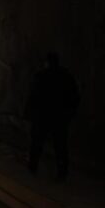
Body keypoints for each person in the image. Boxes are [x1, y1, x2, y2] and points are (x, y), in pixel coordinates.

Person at [25, 52, 79, 180]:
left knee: (37, 143)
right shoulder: (66, 77)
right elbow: (74, 97)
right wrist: (69, 114)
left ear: (46, 63)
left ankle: (32, 168)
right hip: (59, 117)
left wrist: (28, 114)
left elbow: (33, 96)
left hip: (42, 116)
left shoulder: (41, 76)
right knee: (60, 146)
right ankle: (62, 172)